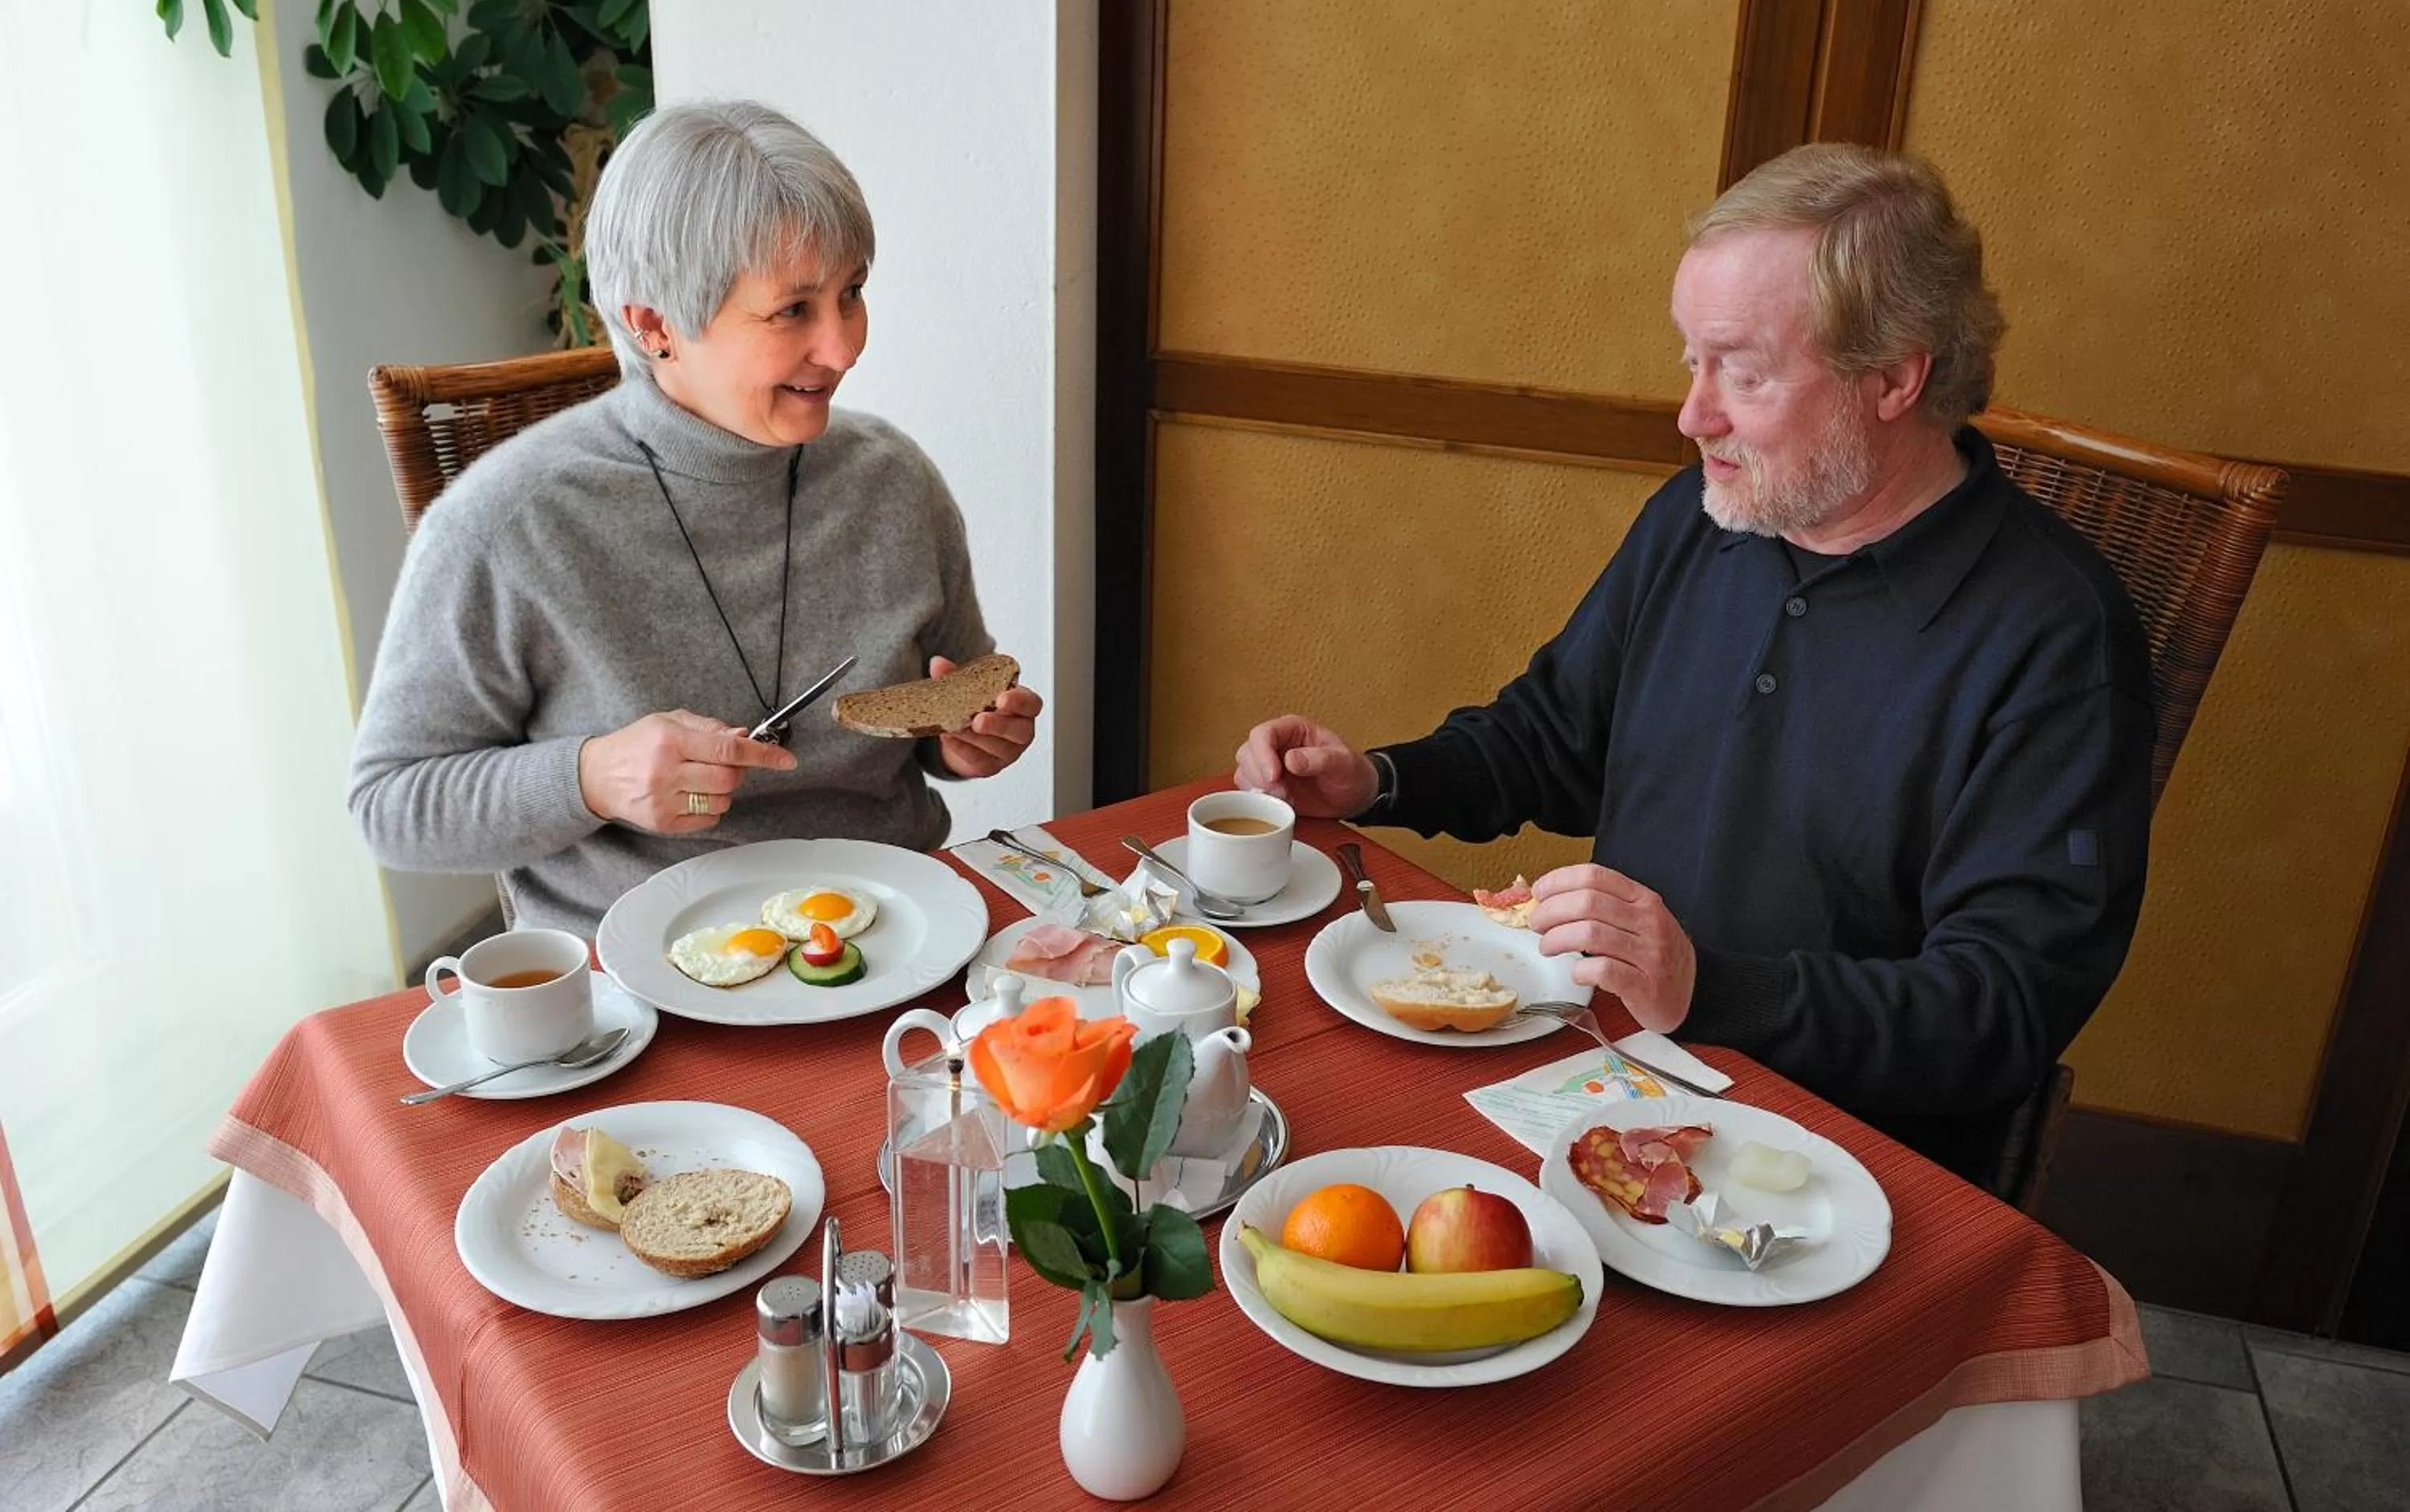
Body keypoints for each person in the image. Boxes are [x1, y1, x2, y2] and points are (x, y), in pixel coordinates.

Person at [1235, 144, 2153, 1179]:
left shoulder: (2057, 637)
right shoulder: (1705, 519)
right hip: (1599, 1076)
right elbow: (1553, 736)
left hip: (1838, 1164)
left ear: (1896, 377)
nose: (1693, 415)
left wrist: (1706, 989)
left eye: (1743, 372)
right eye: (1692, 361)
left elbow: (2001, 1008)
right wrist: (1382, 778)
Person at [350, 100, 1041, 935]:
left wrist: (962, 744)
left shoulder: (894, 482)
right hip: (648, 988)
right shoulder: (505, 526)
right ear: (654, 326)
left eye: (851, 293)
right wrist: (593, 776)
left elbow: (947, 712)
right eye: (794, 310)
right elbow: (388, 804)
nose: (845, 346)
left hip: (898, 940)